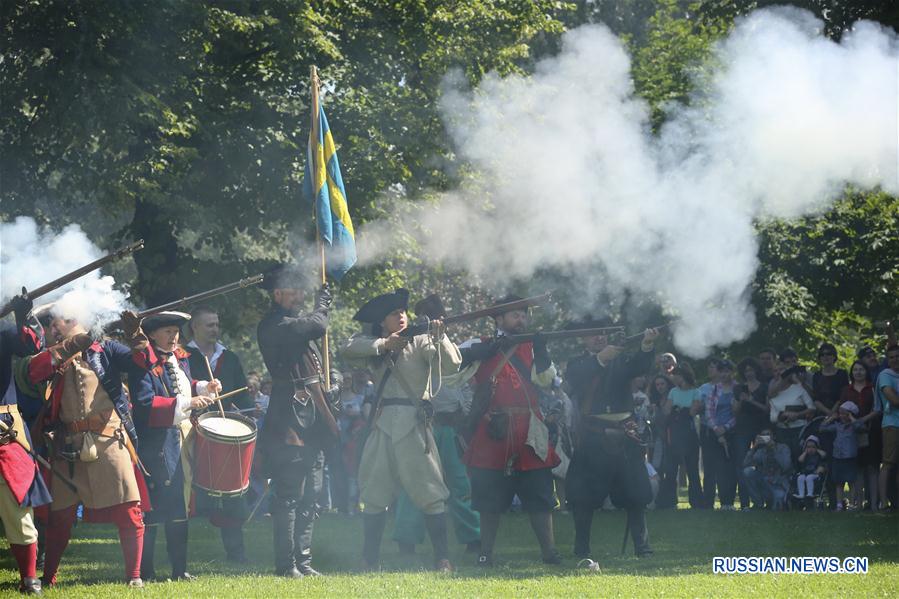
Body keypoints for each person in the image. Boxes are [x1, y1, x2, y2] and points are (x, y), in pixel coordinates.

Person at [25, 309, 153, 589]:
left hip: (109, 439)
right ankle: (48, 579)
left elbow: (141, 363)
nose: (56, 326)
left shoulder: (106, 348)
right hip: (66, 445)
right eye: (54, 322)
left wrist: (136, 336)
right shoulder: (53, 355)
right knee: (60, 518)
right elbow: (33, 372)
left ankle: (134, 577)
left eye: (63, 320)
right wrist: (74, 343)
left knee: (130, 511)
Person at [341, 288, 459, 572]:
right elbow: (347, 348)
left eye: (403, 312)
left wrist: (440, 335)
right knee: (373, 494)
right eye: (395, 314)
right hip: (383, 425)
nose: (402, 316)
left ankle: (442, 558)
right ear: (383, 322)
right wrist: (384, 344)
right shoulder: (377, 343)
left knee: (431, 492)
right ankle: (369, 559)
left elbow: (453, 365)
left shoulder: (421, 339)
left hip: (413, 423)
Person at [455, 296, 561, 567]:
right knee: (488, 501)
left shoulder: (533, 346)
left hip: (529, 431)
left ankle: (550, 553)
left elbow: (548, 382)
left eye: (524, 315)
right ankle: (485, 554)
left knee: (540, 497)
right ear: (499, 319)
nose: (521, 320)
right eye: (515, 315)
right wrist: (481, 352)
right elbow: (450, 366)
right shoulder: (480, 344)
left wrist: (542, 351)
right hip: (493, 429)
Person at [256, 265, 340, 577]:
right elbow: (317, 324)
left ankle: (303, 562)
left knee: (313, 493)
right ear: (277, 294)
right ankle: (286, 564)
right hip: (289, 418)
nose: (300, 296)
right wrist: (323, 305)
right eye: (294, 290)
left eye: (301, 291)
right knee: (289, 494)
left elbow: (316, 365)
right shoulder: (274, 324)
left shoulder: (295, 324)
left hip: (313, 416)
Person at [129, 311, 220, 581]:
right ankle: (146, 570)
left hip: (179, 439)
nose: (174, 337)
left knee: (179, 505)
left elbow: (181, 385)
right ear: (152, 335)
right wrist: (189, 404)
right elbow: (145, 405)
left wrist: (204, 387)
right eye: (168, 332)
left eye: (176, 332)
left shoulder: (178, 358)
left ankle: (180, 569)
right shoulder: (142, 363)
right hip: (155, 444)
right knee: (155, 506)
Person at [564, 317, 659, 560]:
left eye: (603, 333)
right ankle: (582, 549)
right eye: (595, 334)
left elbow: (640, 366)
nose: (600, 337)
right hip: (593, 437)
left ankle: (643, 547)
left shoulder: (620, 360)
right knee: (583, 498)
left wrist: (647, 344)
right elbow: (579, 377)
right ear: (584, 338)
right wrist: (602, 358)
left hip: (624, 435)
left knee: (636, 495)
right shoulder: (577, 364)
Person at [186, 305, 252, 563]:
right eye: (209, 325)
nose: (215, 329)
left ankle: (236, 554)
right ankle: (179, 556)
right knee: (186, 493)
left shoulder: (230, 358)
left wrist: (249, 411)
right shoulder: (182, 357)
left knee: (232, 492)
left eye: (216, 324)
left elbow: (243, 395)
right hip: (191, 429)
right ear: (195, 327)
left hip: (224, 433)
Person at [0, 291, 49, 594]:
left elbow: (32, 345)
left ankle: (29, 577)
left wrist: (23, 315)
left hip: (4, 428)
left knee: (17, 505)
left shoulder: (3, 330)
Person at [658, 363, 703, 509]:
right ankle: (669, 502)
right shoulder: (673, 392)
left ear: (682, 376)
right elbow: (666, 411)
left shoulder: (696, 392)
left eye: (676, 375)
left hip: (689, 433)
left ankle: (696, 502)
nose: (673, 378)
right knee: (671, 469)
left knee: (692, 469)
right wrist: (680, 409)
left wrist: (678, 409)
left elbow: (693, 412)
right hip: (674, 433)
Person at [840, 360, 879, 510]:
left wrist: (863, 420)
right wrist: (852, 421)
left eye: (861, 369)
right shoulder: (846, 390)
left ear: (866, 371)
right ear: (852, 372)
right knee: (858, 469)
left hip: (871, 432)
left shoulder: (873, 388)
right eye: (855, 369)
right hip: (851, 434)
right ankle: (858, 504)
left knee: (873, 468)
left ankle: (875, 503)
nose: (858, 372)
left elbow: (878, 408)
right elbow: (842, 412)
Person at [700, 359, 738, 510]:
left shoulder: (738, 388)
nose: (724, 374)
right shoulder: (714, 389)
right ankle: (708, 503)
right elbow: (708, 411)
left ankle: (727, 502)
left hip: (731, 432)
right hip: (713, 433)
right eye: (721, 371)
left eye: (727, 371)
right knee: (711, 468)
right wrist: (717, 429)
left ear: (732, 372)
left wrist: (726, 428)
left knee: (728, 468)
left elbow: (738, 413)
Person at [819, 401, 871, 510]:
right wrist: (831, 418)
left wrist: (851, 418)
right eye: (840, 413)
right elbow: (822, 428)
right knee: (839, 482)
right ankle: (839, 504)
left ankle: (852, 503)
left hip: (850, 457)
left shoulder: (854, 427)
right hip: (837, 457)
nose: (842, 416)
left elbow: (861, 427)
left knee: (851, 481)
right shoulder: (837, 426)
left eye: (845, 413)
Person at [733, 358, 770, 509]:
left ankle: (763, 500)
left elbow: (767, 409)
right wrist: (742, 401)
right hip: (742, 429)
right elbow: (735, 411)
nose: (749, 373)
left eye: (751, 370)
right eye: (746, 370)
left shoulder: (765, 387)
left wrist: (750, 400)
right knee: (742, 464)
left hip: (761, 427)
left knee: (763, 463)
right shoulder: (739, 389)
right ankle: (744, 503)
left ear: (756, 370)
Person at [768, 359, 816, 460]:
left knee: (799, 455)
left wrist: (797, 415)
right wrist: (783, 415)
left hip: (799, 427)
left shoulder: (798, 387)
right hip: (781, 429)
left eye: (781, 369)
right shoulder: (773, 389)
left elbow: (812, 407)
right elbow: (771, 413)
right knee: (784, 458)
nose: (779, 372)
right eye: (775, 371)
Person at [874, 344, 899, 511]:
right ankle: (883, 502)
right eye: (892, 357)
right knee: (888, 464)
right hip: (892, 425)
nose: (895, 359)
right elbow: (894, 400)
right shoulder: (885, 376)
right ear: (887, 360)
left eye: (898, 356)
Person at [741, 429, 792, 510]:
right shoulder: (761, 450)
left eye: (768, 434)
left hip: (778, 483)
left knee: (779, 505)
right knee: (747, 472)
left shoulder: (783, 448)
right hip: (765, 483)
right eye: (763, 435)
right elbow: (745, 464)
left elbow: (786, 466)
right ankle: (758, 504)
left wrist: (774, 449)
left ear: (773, 437)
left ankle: (774, 502)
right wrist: (754, 447)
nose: (766, 437)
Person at [811, 343, 849, 416]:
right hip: (820, 414)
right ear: (820, 358)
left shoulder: (842, 374)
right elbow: (815, 399)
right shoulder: (816, 376)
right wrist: (828, 412)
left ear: (834, 356)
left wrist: (832, 412)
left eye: (829, 354)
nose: (825, 356)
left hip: (840, 413)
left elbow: (843, 395)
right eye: (822, 354)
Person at [794, 435, 826, 501]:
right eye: (808, 447)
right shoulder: (805, 456)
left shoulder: (818, 455)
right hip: (805, 473)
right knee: (800, 478)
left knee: (809, 478)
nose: (811, 449)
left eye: (813, 447)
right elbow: (800, 460)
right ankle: (801, 494)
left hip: (815, 474)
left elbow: (824, 455)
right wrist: (805, 452)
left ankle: (810, 493)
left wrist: (817, 450)